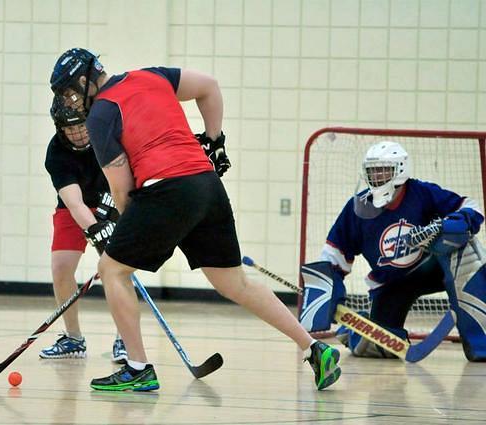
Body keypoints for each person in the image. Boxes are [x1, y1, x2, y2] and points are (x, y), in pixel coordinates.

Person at [49, 47, 342, 391]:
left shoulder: (100, 115)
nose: (71, 101)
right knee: (236, 284)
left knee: (112, 270)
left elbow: (122, 186)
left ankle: (137, 367)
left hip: (166, 189)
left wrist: (125, 231)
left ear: (85, 80)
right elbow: (209, 87)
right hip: (207, 185)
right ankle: (314, 347)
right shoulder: (151, 75)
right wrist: (215, 142)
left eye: (70, 91)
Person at [302, 141, 486, 360]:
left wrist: (448, 225)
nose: (377, 176)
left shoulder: (422, 192)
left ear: (400, 170)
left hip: (432, 268)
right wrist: (328, 293)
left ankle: (481, 342)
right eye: (372, 171)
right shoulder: (357, 208)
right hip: (391, 284)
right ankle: (351, 331)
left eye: (383, 170)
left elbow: (471, 207)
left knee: (467, 251)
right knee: (374, 345)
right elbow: (333, 257)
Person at [39, 94, 127, 364]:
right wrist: (97, 232)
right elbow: (74, 203)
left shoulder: (107, 135)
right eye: (70, 128)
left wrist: (113, 207)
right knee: (61, 267)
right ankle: (73, 339)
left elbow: (125, 178)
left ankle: (124, 339)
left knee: (119, 269)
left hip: (112, 201)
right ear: (60, 128)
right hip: (74, 208)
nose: (77, 133)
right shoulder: (56, 153)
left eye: (81, 125)